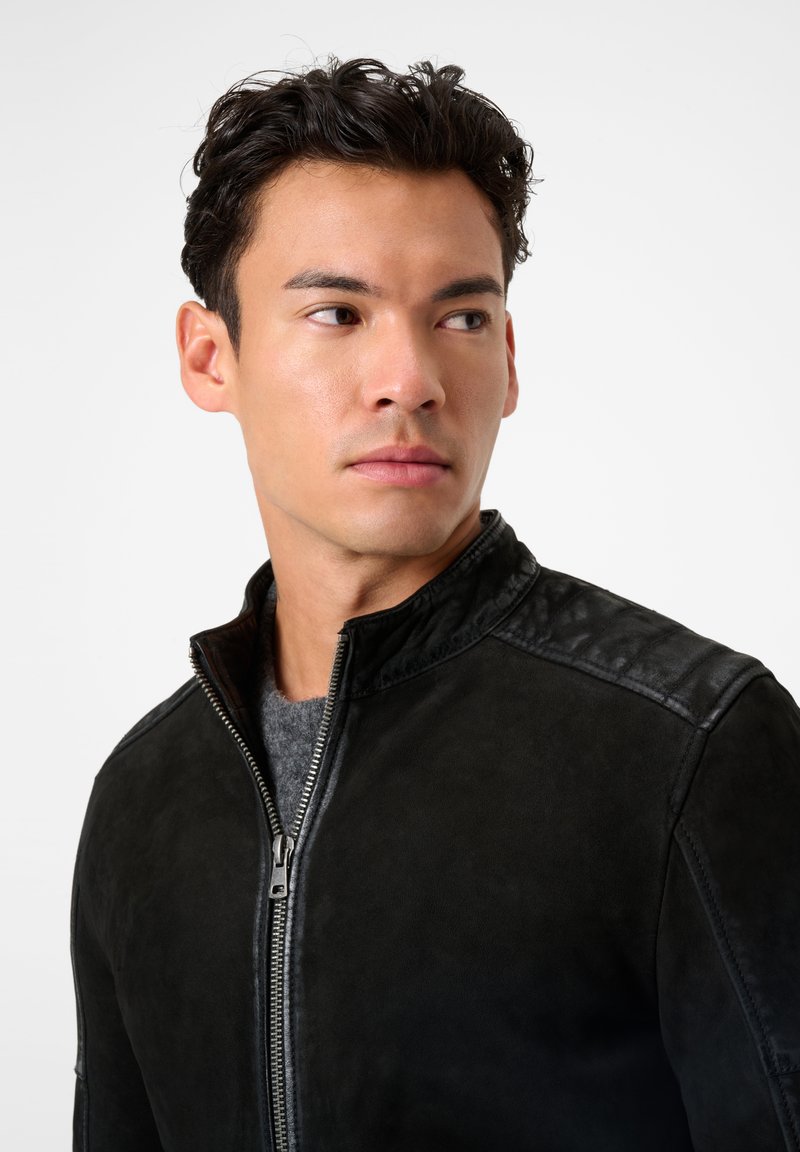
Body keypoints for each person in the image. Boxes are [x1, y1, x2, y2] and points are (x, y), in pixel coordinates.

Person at [70, 58, 800, 1152]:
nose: (408, 378)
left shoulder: (689, 745)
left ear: (507, 357)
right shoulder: (142, 799)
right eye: (337, 312)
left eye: (459, 317)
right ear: (210, 357)